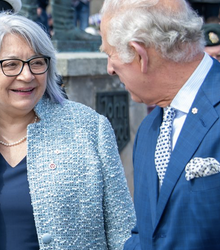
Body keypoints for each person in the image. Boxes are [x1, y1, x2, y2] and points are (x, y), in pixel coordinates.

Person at [0, 13, 135, 249]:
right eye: (11, 65)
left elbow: (123, 231)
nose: (26, 76)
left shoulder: (89, 128)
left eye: (37, 62)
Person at [100, 0, 220, 249]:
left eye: (109, 54)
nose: (109, 68)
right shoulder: (149, 129)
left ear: (139, 54)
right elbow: (147, 234)